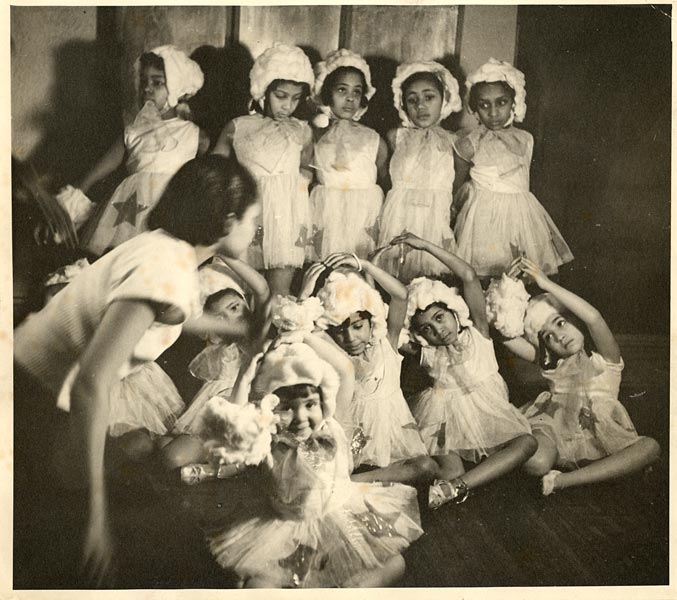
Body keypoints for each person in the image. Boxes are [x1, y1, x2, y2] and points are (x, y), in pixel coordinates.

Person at [13, 154, 259, 585]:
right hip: (28, 402)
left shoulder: (166, 248)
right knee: (102, 536)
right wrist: (96, 513)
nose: (255, 230)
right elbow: (92, 383)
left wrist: (238, 327)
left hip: (34, 391)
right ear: (227, 220)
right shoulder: (167, 269)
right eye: (253, 219)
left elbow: (167, 313)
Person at [205, 335, 423, 588]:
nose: (300, 417)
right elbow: (233, 421)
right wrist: (245, 375)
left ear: (324, 401)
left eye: (310, 404)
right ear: (268, 410)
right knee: (255, 587)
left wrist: (305, 332)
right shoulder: (266, 436)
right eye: (286, 408)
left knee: (394, 564)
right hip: (285, 525)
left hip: (341, 516)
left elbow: (345, 369)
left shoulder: (334, 422)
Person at [394, 233, 537, 509]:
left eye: (440, 318)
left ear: (454, 312)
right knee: (451, 469)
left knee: (527, 444)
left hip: (488, 412)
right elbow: (391, 320)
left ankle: (456, 488)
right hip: (442, 419)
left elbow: (469, 277)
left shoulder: (479, 332)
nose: (438, 330)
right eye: (427, 328)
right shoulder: (426, 351)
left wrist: (425, 246)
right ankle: (450, 482)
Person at [503, 257, 660, 495]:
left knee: (651, 447)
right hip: (555, 426)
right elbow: (504, 336)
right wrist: (508, 288)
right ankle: (597, 471)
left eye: (561, 323)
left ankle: (564, 481)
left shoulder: (606, 359)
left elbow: (594, 317)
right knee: (536, 463)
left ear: (575, 318)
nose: (559, 336)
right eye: (548, 337)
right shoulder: (551, 362)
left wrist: (545, 284)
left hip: (602, 432)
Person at [56, 45, 207, 257]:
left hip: (173, 213)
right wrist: (63, 210)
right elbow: (92, 176)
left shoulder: (195, 134)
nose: (147, 88)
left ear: (177, 88)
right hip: (128, 215)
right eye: (144, 81)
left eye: (157, 82)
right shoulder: (132, 133)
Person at [307, 253, 437, 487]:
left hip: (391, 434)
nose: (350, 337)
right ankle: (348, 480)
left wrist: (364, 265)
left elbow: (400, 295)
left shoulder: (388, 341)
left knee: (426, 467)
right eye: (340, 331)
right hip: (350, 439)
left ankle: (352, 482)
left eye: (357, 326)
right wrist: (305, 292)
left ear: (372, 322)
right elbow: (296, 327)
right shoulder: (331, 354)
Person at [453, 58, 573, 278]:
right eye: (484, 104)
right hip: (482, 217)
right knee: (483, 274)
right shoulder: (468, 142)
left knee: (519, 275)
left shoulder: (525, 139)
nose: (493, 112)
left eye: (501, 102)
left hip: (519, 215)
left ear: (514, 103)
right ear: (475, 108)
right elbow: (457, 182)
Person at [212, 43, 314, 297]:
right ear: (263, 90)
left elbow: (307, 169)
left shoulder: (302, 129)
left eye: (295, 98)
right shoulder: (238, 126)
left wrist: (299, 185)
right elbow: (213, 169)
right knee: (237, 288)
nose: (287, 105)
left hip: (285, 218)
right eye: (280, 96)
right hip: (247, 212)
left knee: (278, 291)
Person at [160, 255, 271, 472]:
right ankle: (219, 466)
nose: (242, 311)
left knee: (172, 456)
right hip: (210, 412)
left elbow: (263, 290)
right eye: (232, 309)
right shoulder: (214, 341)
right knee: (165, 449)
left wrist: (228, 255)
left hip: (241, 408)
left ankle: (216, 469)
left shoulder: (255, 339)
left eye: (240, 305)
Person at [376, 61, 462, 282]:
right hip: (399, 214)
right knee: (395, 275)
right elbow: (385, 175)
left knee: (432, 276)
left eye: (429, 97)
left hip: (435, 215)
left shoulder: (455, 141)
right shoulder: (396, 136)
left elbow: (459, 181)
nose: (421, 106)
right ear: (403, 105)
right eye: (412, 100)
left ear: (444, 99)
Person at [309, 49, 387, 260]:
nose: (350, 99)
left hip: (362, 215)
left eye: (357, 92)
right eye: (342, 90)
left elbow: (384, 177)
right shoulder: (315, 134)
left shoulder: (373, 138)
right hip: (328, 213)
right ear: (327, 92)